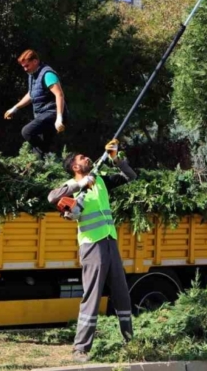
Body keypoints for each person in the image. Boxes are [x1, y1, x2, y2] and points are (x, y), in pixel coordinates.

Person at [47, 140, 135, 363]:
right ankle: (81, 349)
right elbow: (52, 197)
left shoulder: (101, 181)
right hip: (92, 245)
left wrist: (115, 159)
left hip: (110, 241)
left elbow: (131, 177)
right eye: (82, 158)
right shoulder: (71, 185)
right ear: (75, 167)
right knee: (92, 296)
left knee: (122, 294)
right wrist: (81, 184)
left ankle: (130, 342)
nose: (87, 158)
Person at [4, 49, 67, 157]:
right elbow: (31, 94)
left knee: (27, 131)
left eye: (27, 66)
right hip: (42, 115)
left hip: (52, 113)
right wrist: (15, 108)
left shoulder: (47, 74)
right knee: (39, 152)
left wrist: (59, 118)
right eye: (23, 67)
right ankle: (47, 157)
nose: (25, 69)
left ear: (35, 61)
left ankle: (47, 155)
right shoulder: (32, 75)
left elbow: (59, 95)